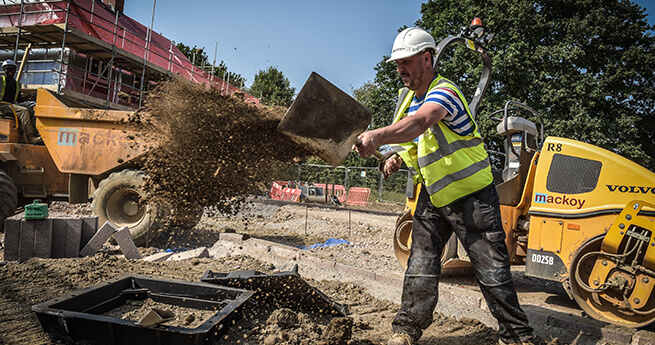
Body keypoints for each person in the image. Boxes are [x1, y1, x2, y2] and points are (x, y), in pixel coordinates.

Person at [354, 27, 538, 345]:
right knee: (420, 264)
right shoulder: (409, 101)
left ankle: (517, 336)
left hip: (472, 195)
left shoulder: (444, 92)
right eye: (397, 63)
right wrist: (396, 157)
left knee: (492, 269)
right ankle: (406, 330)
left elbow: (421, 123)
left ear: (427, 59)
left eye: (407, 62)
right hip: (434, 194)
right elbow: (414, 142)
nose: (400, 69)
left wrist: (378, 136)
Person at [0, 59, 42, 144]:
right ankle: (30, 137)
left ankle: (36, 133)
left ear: (15, 70)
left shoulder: (17, 84)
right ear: (4, 70)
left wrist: (27, 97)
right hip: (2, 105)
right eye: (7, 69)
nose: (9, 71)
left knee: (33, 108)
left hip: (11, 105)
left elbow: (18, 99)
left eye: (12, 69)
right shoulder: (1, 80)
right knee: (23, 111)